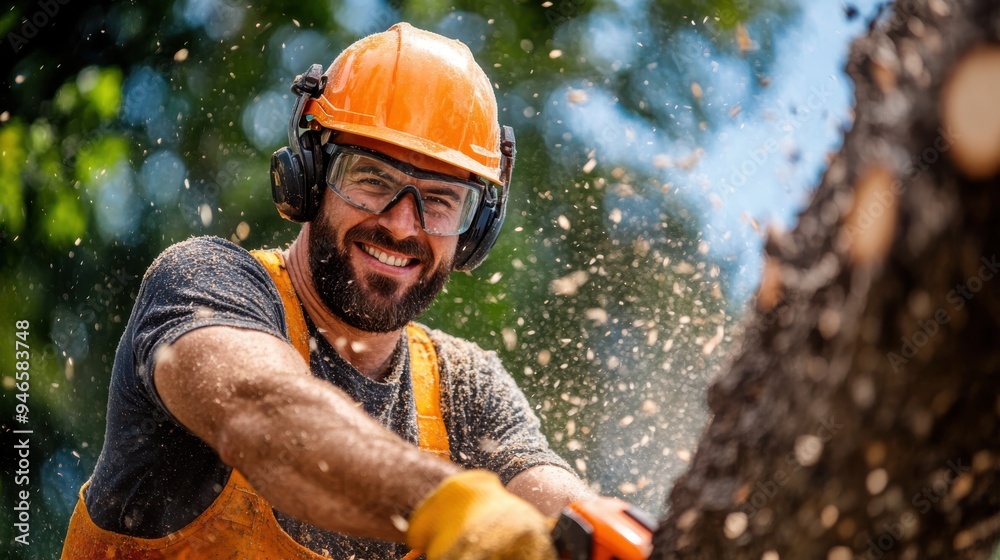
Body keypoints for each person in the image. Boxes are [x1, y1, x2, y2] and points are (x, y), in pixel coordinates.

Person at [60, 22, 594, 560]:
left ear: (474, 230)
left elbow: (565, 513)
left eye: (439, 200)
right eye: (373, 179)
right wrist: (448, 504)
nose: (404, 226)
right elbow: (264, 414)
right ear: (309, 177)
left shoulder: (466, 389)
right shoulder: (207, 283)